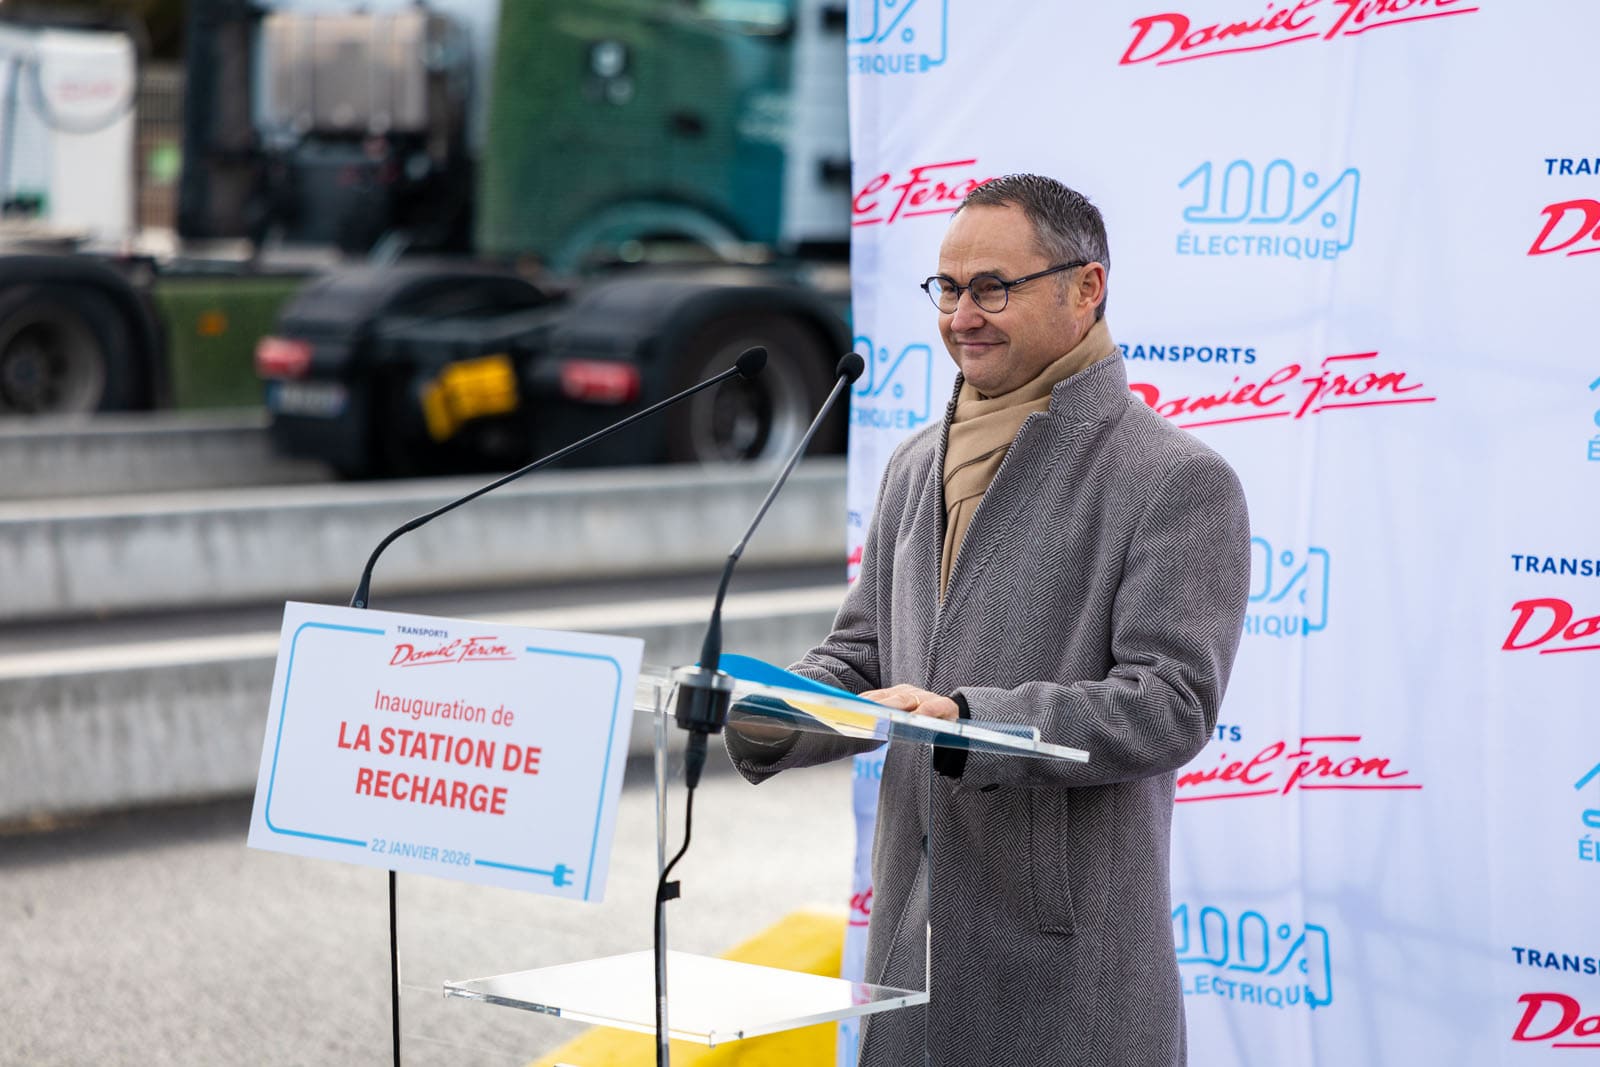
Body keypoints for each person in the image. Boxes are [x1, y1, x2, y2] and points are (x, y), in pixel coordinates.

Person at [725, 173, 1251, 1066]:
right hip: (908, 952)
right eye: (949, 287)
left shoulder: (1175, 479)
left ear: (1086, 288)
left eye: (993, 288)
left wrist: (971, 722)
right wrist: (769, 708)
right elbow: (862, 654)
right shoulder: (913, 463)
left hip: (1062, 973)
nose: (962, 315)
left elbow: (1170, 704)